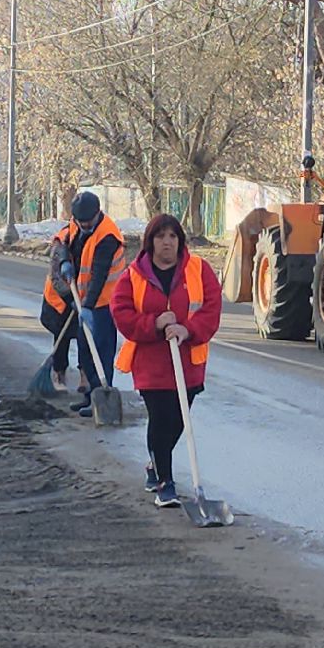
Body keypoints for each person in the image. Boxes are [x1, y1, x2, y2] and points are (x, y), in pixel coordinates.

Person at [112, 214, 221, 506]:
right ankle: (165, 483)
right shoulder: (133, 276)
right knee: (160, 420)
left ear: (180, 241)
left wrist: (188, 330)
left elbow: (211, 310)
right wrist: (155, 323)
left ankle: (155, 465)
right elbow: (121, 313)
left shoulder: (199, 270)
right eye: (160, 236)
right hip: (151, 364)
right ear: (151, 241)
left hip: (188, 363)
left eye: (172, 236)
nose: (167, 242)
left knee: (177, 422)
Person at [40, 191, 127, 416]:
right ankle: (90, 396)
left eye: (88, 222)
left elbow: (98, 276)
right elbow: (64, 242)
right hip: (85, 300)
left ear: (98, 213)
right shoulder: (76, 224)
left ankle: (101, 396)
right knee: (86, 351)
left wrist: (87, 307)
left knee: (101, 351)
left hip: (104, 302)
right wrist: (65, 261)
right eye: (81, 222)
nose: (85, 226)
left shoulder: (107, 236)